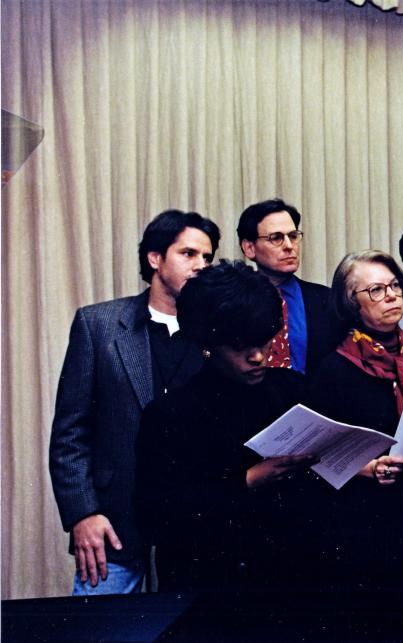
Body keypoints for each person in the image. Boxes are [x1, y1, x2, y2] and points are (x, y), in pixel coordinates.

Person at [49, 210, 220, 595]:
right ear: (155, 258)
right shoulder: (99, 325)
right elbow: (69, 433)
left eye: (207, 258)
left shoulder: (215, 333)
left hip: (192, 525)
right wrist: (83, 513)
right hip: (114, 524)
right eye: (189, 254)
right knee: (101, 632)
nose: (200, 266)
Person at [135, 261, 323, 591]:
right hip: (209, 585)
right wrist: (248, 480)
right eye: (241, 347)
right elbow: (156, 517)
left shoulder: (292, 389)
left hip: (291, 577)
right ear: (208, 344)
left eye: (264, 342)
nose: (258, 357)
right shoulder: (171, 413)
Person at [307, 250, 403, 586]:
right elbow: (314, 454)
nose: (391, 296)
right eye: (376, 290)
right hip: (362, 520)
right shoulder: (333, 369)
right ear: (351, 302)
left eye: (395, 286)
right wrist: (366, 468)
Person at [238, 198, 342, 374]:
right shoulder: (234, 301)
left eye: (293, 236)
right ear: (249, 248)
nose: (289, 246)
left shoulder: (327, 299)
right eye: (276, 238)